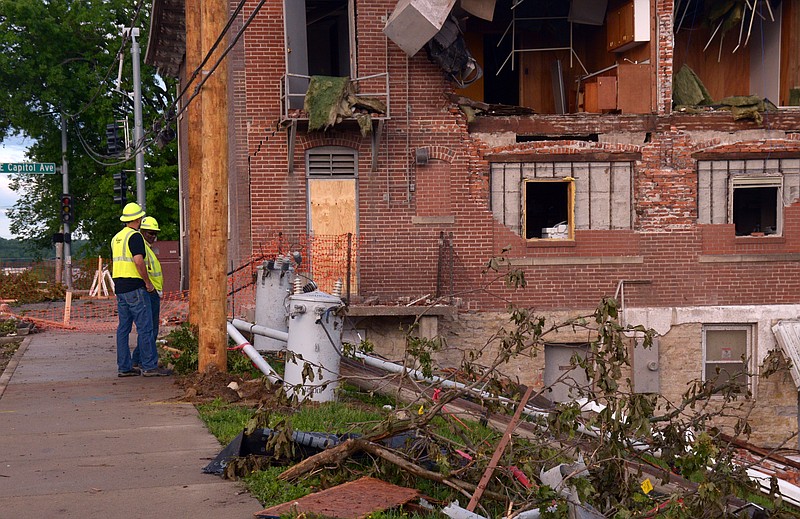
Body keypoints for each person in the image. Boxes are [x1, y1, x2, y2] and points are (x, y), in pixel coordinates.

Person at [111, 203, 171, 377]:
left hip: (120, 288)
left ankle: (124, 367)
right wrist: (148, 283)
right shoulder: (135, 237)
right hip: (135, 288)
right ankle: (149, 366)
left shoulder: (116, 238)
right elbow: (138, 261)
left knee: (123, 328)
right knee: (145, 328)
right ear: (137, 219)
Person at [131, 216, 163, 369]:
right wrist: (149, 286)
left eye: (155, 233)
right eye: (150, 233)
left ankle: (137, 359)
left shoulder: (147, 248)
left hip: (152, 291)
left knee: (148, 329)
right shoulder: (141, 246)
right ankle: (145, 362)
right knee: (150, 330)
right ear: (142, 231)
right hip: (149, 292)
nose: (153, 236)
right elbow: (141, 266)